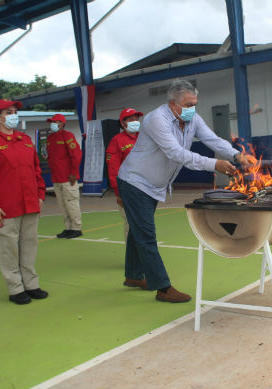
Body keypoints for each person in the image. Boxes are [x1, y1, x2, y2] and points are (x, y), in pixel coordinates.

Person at [117, 79, 253, 303]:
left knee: (138, 229)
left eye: (195, 104)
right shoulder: (156, 120)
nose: (193, 109)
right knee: (146, 235)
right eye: (188, 105)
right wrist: (214, 164)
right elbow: (177, 154)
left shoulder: (192, 119)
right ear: (173, 104)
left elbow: (213, 140)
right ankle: (162, 287)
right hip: (136, 182)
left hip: (154, 185)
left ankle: (133, 275)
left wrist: (236, 155)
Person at [0, 99, 48, 305]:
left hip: (30, 204)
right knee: (9, 248)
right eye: (8, 112)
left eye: (15, 111)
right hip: (5, 208)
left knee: (29, 245)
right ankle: (15, 288)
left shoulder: (24, 140)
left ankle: (31, 284)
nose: (13, 115)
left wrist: (40, 194)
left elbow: (36, 170)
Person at [106, 107, 143, 240]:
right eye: (131, 119)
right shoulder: (117, 141)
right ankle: (132, 257)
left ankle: (144, 255)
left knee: (144, 224)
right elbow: (113, 168)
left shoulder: (144, 138)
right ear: (123, 123)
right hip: (127, 189)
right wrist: (118, 192)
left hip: (144, 189)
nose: (135, 121)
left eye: (136, 119)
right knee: (131, 224)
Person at [46, 113, 83, 239]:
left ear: (61, 123)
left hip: (68, 178)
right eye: (52, 121)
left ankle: (76, 228)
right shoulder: (50, 138)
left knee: (71, 203)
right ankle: (68, 228)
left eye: (55, 121)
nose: (52, 124)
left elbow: (76, 155)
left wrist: (73, 173)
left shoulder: (68, 136)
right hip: (56, 178)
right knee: (62, 205)